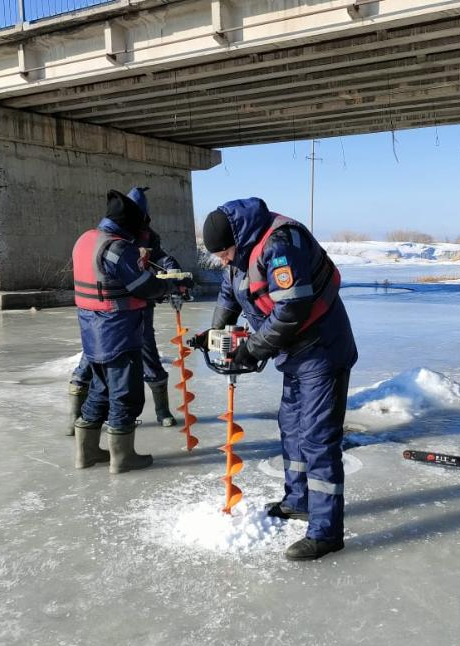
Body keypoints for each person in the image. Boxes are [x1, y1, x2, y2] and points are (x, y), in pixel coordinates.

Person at [192, 198, 357, 560]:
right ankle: (299, 501)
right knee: (292, 428)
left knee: (317, 438)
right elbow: (228, 292)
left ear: (238, 238)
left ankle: (327, 531)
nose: (222, 261)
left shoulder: (280, 245)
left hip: (321, 350)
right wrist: (215, 333)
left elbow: (292, 309)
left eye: (223, 253)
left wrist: (252, 348)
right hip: (293, 353)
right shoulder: (239, 252)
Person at [66, 189, 188, 434]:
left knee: (143, 354)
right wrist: (167, 286)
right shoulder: (114, 244)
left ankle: (161, 410)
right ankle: (78, 418)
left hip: (123, 311)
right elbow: (143, 284)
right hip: (117, 314)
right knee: (106, 375)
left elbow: (161, 258)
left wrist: (173, 271)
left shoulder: (141, 236)